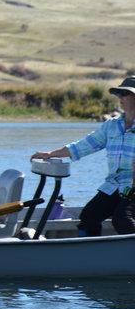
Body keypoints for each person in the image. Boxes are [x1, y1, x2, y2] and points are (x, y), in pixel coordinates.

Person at [31, 75, 135, 236]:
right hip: (114, 185)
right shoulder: (112, 125)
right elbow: (83, 146)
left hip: (133, 187)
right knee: (88, 217)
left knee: (122, 219)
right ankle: (92, 254)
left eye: (125, 94)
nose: (120, 97)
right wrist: (51, 153)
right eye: (118, 93)